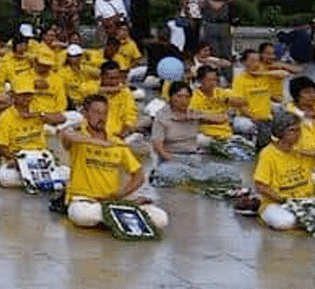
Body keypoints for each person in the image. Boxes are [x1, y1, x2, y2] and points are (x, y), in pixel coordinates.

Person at [60, 94, 168, 230]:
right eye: (96, 112)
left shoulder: (116, 143)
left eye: (105, 113)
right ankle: (115, 217)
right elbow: (65, 135)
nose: (102, 117)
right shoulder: (78, 136)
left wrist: (121, 194)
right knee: (83, 216)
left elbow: (138, 175)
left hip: (112, 202)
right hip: (84, 201)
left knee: (161, 218)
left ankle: (113, 215)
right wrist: (99, 142)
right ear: (85, 114)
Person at [254, 109, 315, 230]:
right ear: (280, 133)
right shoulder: (268, 153)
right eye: (292, 130)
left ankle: (307, 222)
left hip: (305, 200)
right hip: (277, 204)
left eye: (299, 130)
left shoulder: (302, 149)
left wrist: (310, 153)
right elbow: (261, 186)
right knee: (284, 221)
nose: (297, 134)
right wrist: (283, 200)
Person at [150, 81, 239, 189]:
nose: (183, 101)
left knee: (231, 174)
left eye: (187, 97)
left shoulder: (192, 113)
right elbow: (157, 146)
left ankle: (196, 179)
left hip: (194, 159)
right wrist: (172, 159)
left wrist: (197, 118)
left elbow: (222, 119)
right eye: (179, 96)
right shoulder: (162, 117)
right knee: (168, 175)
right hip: (172, 159)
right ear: (171, 97)